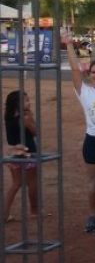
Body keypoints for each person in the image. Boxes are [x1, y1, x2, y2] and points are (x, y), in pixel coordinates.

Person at [64, 32, 95, 232]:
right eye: (94, 72)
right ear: (89, 75)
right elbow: (74, 68)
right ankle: (93, 214)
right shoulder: (85, 92)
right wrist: (69, 44)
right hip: (94, 141)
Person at [3, 91, 41, 222]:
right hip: (28, 153)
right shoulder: (25, 117)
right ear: (17, 104)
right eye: (26, 100)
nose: (29, 103)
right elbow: (35, 132)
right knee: (33, 183)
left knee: (16, 184)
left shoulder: (9, 117)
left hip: (14, 153)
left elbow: (11, 140)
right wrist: (30, 117)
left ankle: (4, 213)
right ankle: (34, 211)